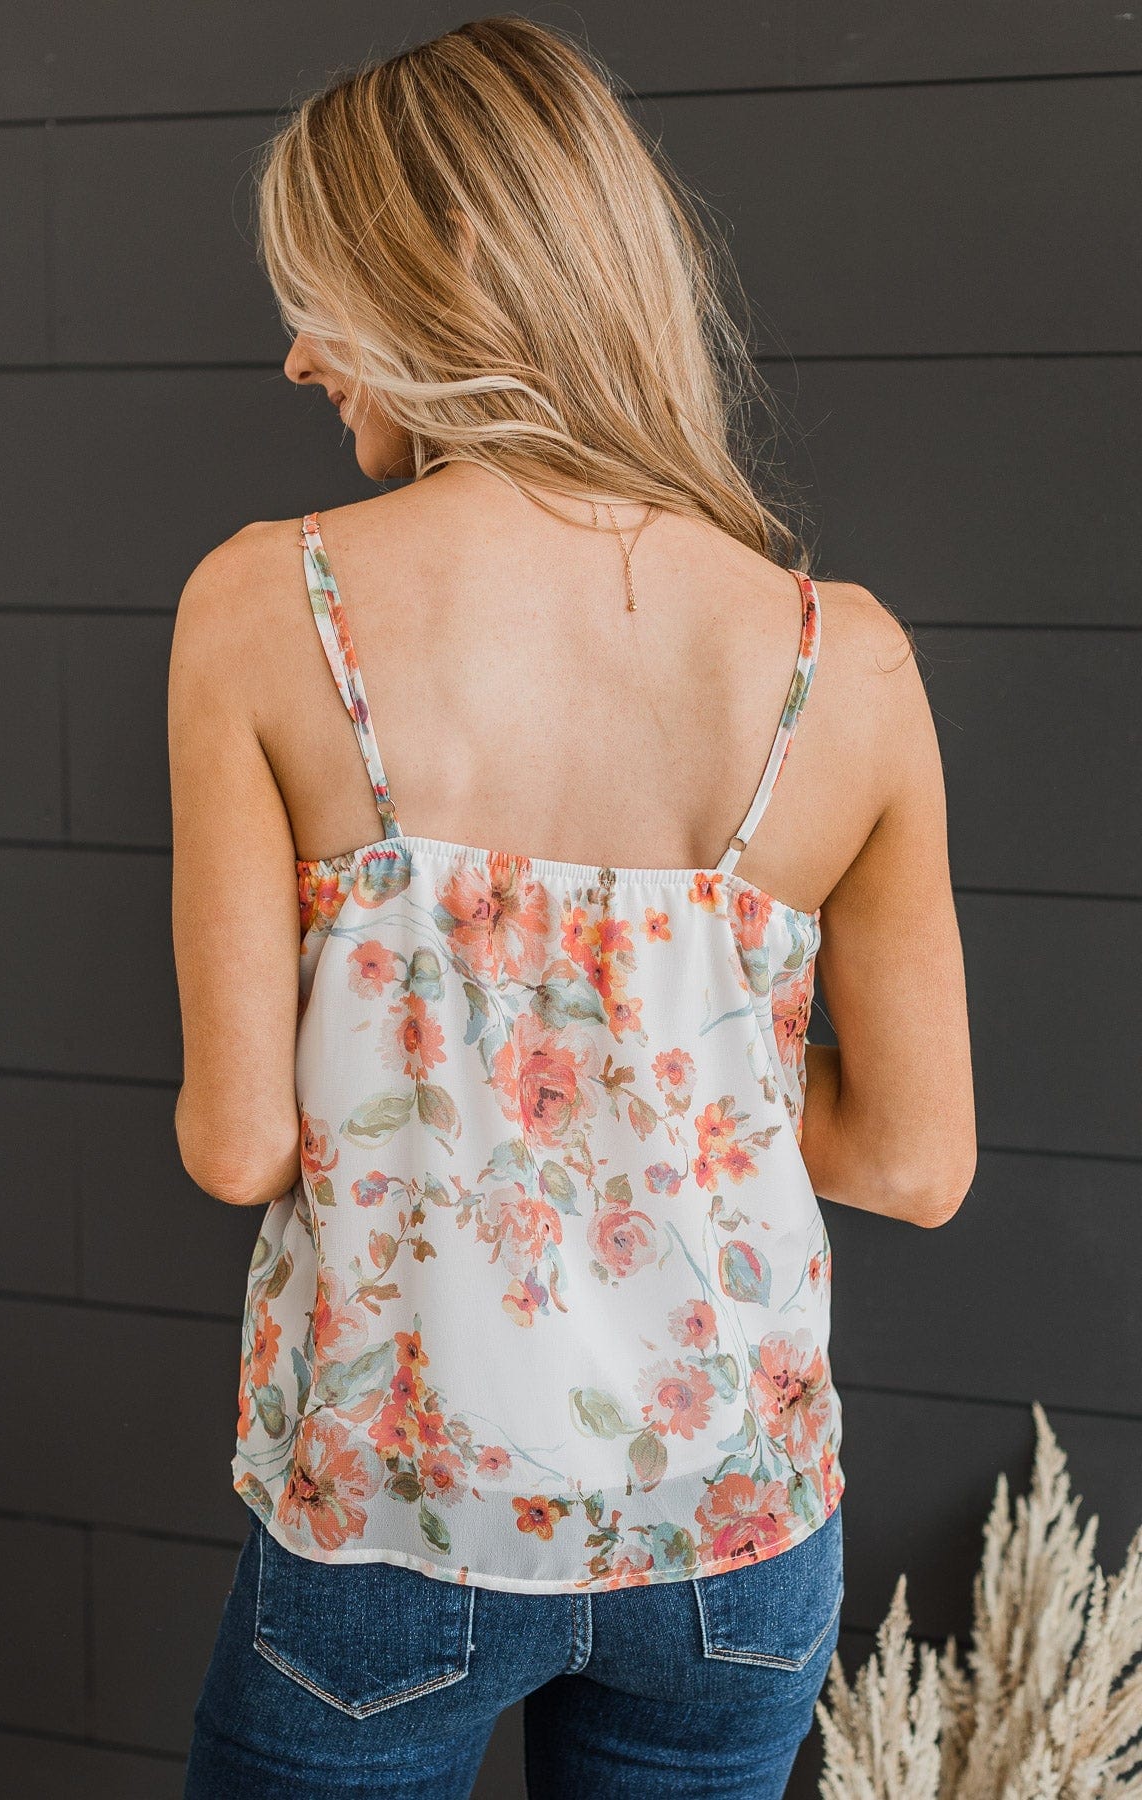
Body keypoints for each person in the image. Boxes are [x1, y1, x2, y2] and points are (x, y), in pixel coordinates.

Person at [169, 16, 977, 1798]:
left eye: (325, 294)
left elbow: (238, 1148)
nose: (300, 354)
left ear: (436, 281)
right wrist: (659, 1120)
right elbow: (919, 1160)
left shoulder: (262, 607)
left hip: (397, 1519)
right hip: (739, 1532)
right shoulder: (845, 665)